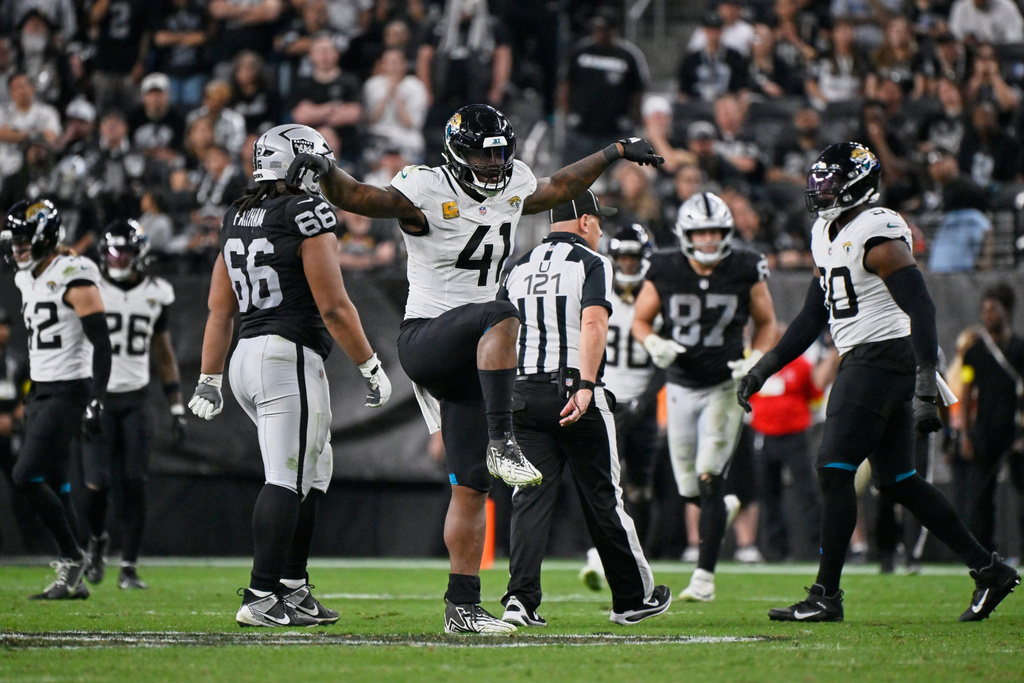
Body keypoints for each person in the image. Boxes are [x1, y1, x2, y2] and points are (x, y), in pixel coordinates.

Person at [287, 103, 664, 633]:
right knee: (502, 310)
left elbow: (558, 186)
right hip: (427, 338)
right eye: (482, 154)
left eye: (499, 153)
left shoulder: (514, 185)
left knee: (471, 487)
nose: (493, 163)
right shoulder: (425, 187)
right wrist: (323, 167)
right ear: (456, 154)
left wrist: (615, 152)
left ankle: (461, 608)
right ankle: (503, 437)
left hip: (479, 356)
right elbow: (357, 197)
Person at [736, 141, 1021, 622]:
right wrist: (765, 367)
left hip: (881, 357)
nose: (819, 189)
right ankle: (988, 569)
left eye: (829, 181)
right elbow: (812, 315)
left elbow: (923, 306)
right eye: (819, 180)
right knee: (898, 480)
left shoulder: (878, 229)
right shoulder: (827, 230)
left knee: (833, 469)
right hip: (869, 358)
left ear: (858, 183)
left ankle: (826, 594)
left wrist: (927, 382)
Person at [187, 124, 393, 627]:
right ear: (302, 164)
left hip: (247, 358)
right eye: (319, 163)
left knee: (312, 472)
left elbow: (219, 310)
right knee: (288, 476)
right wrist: (370, 364)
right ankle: (261, 596)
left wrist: (209, 378)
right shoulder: (306, 211)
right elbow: (335, 307)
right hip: (286, 358)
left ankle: (292, 588)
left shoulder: (237, 213)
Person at [498, 191, 671, 627]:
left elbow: (498, 334)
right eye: (597, 221)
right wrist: (587, 385)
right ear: (584, 221)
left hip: (521, 392)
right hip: (573, 390)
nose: (600, 229)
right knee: (603, 498)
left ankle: (520, 599)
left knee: (530, 498)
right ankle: (632, 598)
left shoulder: (516, 267)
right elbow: (594, 322)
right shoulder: (592, 262)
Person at [631, 190, 777, 603]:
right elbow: (641, 320)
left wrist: (756, 358)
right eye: (702, 233)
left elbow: (767, 323)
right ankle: (720, 512)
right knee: (689, 489)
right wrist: (654, 344)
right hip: (679, 383)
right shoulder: (664, 266)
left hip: (724, 385)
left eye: (716, 232)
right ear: (685, 234)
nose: (710, 241)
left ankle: (705, 577)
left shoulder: (746, 266)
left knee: (710, 475)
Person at [0, 199, 112, 599]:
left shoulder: (74, 274)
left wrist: (96, 398)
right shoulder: (28, 274)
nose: (17, 249)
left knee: (24, 475)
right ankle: (73, 581)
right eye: (16, 243)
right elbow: (13, 246)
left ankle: (71, 555)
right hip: (41, 389)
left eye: (25, 242)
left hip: (69, 388)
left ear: (47, 238)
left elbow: (102, 343)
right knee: (57, 482)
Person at [81, 219, 186, 591]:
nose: (118, 257)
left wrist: (176, 405)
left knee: (134, 483)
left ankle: (128, 566)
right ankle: (96, 542)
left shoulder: (156, 291)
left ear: (139, 251)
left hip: (137, 396)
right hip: (99, 396)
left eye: (125, 250)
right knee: (97, 484)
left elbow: (163, 351)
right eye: (113, 250)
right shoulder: (90, 289)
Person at [958, 283, 1024, 559]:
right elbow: (965, 389)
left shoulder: (1019, 349)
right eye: (984, 310)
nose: (987, 316)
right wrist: (964, 433)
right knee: (981, 497)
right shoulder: (973, 352)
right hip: (983, 430)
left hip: (1014, 430)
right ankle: (986, 554)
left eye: (993, 310)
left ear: (1006, 311)